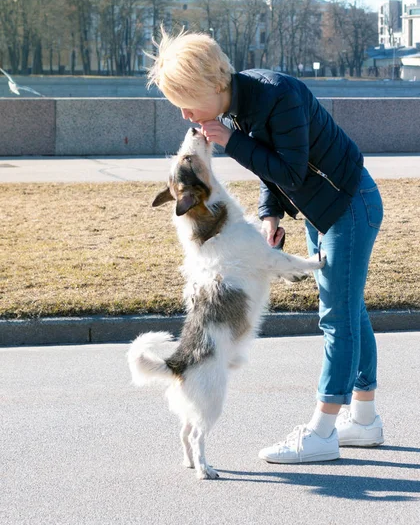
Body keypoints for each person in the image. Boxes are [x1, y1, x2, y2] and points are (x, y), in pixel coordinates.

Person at [147, 29, 384, 464]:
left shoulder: (277, 95)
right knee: (351, 310)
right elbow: (272, 175)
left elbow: (290, 170)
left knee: (337, 317)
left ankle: (323, 431)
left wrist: (230, 142)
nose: (184, 113)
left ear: (211, 87)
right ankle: (364, 419)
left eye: (185, 100)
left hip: (350, 206)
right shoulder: (237, 106)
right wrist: (270, 215)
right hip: (323, 210)